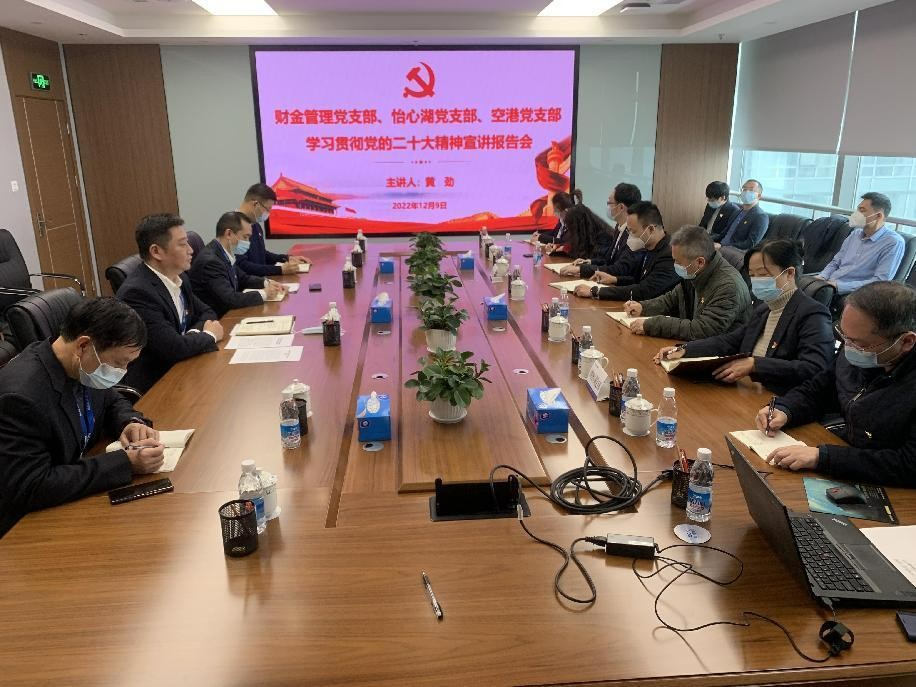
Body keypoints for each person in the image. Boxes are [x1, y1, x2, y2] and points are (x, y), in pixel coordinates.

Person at [0, 297, 165, 536]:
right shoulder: (21, 398)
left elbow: (111, 400)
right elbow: (31, 485)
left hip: (77, 492)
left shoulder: (78, 365)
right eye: (119, 363)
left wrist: (129, 422)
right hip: (30, 527)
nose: (121, 372)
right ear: (83, 345)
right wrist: (125, 463)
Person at [756, 281, 916, 487]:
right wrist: (786, 408)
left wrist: (823, 458)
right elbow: (819, 389)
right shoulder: (861, 349)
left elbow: (909, 465)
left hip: (888, 484)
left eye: (859, 343)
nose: (848, 347)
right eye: (844, 337)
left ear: (906, 341)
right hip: (847, 452)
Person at [654, 240, 834, 394]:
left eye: (763, 274)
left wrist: (755, 364)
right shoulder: (764, 310)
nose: (757, 281)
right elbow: (729, 341)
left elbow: (814, 368)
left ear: (789, 273)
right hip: (748, 391)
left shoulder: (813, 314)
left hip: (780, 400)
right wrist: (685, 349)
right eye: (752, 275)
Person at [117, 214, 224, 394]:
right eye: (182, 244)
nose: (191, 250)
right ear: (156, 252)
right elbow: (174, 348)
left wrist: (191, 335)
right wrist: (209, 335)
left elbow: (207, 313)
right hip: (158, 384)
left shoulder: (179, 278)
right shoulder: (137, 293)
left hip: (184, 366)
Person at [623, 224, 752, 339]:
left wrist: (653, 324)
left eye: (678, 262)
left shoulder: (728, 286)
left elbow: (702, 329)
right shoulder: (695, 272)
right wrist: (643, 307)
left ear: (700, 262)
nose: (675, 265)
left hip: (720, 352)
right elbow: (671, 300)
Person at [573, 201, 679, 302]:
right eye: (629, 231)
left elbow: (645, 290)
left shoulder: (670, 254)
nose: (630, 236)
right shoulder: (648, 247)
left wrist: (597, 291)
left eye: (633, 231)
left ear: (651, 229)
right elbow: (639, 280)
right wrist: (615, 279)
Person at [190, 211, 286, 318]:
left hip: (229, 314)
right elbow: (230, 299)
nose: (248, 242)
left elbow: (243, 278)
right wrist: (264, 294)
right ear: (229, 234)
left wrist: (267, 283)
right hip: (219, 319)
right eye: (245, 237)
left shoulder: (223, 253)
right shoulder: (211, 261)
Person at [816, 192, 905, 296]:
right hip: (829, 285)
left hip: (855, 294)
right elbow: (836, 262)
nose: (856, 214)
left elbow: (880, 281)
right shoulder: (855, 234)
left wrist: (838, 286)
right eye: (857, 209)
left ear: (878, 216)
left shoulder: (893, 242)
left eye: (862, 210)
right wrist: (821, 276)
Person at [558, 182, 640, 277]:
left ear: (621, 207)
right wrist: (589, 262)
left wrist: (582, 269)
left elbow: (619, 268)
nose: (607, 206)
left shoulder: (633, 234)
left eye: (609, 203)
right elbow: (609, 260)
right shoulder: (619, 228)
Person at [236, 183, 311, 277]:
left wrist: (287, 258)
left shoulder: (255, 225)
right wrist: (280, 270)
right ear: (255, 204)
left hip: (261, 282)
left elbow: (262, 254)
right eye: (267, 209)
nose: (268, 214)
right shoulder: (234, 226)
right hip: (247, 285)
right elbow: (242, 265)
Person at [711, 179, 769, 269]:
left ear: (759, 196)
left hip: (735, 251)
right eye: (744, 189)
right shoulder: (737, 211)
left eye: (751, 190)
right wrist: (708, 238)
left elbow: (750, 243)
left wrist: (722, 246)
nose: (746, 192)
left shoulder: (761, 216)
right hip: (721, 246)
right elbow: (724, 234)